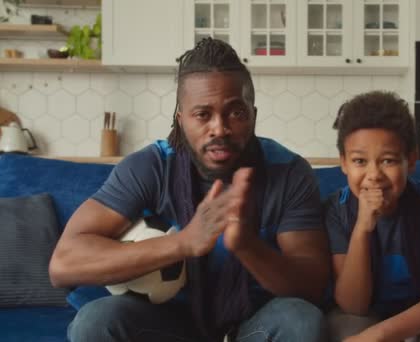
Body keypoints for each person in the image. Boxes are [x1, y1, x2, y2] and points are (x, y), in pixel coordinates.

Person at [49, 37, 330, 342]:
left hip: (253, 325)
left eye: (235, 112)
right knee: (95, 321)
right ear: (181, 120)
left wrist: (248, 246)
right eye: (203, 114)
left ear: (253, 115)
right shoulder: (151, 167)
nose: (219, 128)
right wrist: (185, 242)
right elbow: (64, 264)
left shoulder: (288, 171)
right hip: (167, 325)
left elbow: (311, 286)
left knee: (302, 320)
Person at [324, 91, 420, 342]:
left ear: (410, 160)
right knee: (339, 327)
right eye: (359, 161)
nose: (374, 174)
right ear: (344, 163)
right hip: (364, 316)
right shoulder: (337, 209)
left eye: (388, 161)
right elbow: (353, 305)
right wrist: (362, 229)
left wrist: (378, 336)